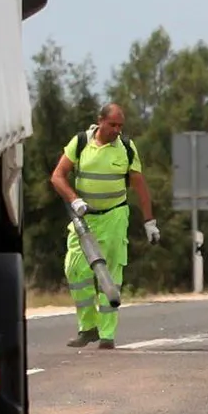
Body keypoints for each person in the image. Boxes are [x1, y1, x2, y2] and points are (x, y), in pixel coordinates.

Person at [49, 103, 160, 349]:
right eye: (112, 125)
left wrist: (149, 222)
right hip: (85, 216)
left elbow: (141, 187)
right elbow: (57, 175)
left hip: (114, 215)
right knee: (75, 269)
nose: (116, 130)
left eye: (120, 126)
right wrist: (74, 199)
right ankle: (88, 328)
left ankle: (107, 334)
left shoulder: (126, 148)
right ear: (100, 121)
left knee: (110, 273)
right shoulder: (80, 143)